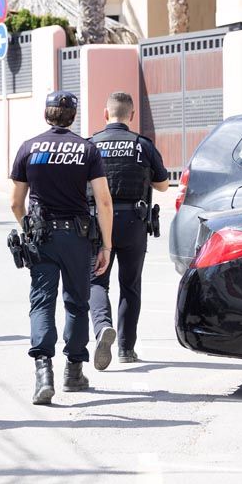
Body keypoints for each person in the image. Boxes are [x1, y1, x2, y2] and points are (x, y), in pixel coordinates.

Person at [10, 91, 113, 405]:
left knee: (42, 301)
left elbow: (15, 202)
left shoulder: (29, 148)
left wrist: (28, 227)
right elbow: (104, 201)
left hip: (42, 236)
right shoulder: (87, 150)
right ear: (73, 116)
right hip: (77, 238)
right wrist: (106, 245)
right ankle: (73, 371)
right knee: (77, 303)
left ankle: (44, 373)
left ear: (46, 115)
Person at [88, 91, 170, 366]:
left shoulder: (91, 145)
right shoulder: (142, 145)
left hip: (99, 223)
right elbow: (163, 185)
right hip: (134, 221)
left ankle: (102, 327)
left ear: (105, 114)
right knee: (130, 286)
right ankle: (125, 349)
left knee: (97, 281)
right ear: (131, 115)